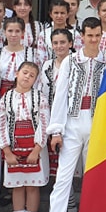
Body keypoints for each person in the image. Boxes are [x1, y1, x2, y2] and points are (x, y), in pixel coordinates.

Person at [25, 17, 106, 212]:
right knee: (63, 178)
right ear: (81, 36)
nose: (93, 39)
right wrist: (56, 130)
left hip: (97, 124)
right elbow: (61, 95)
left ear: (101, 36)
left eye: (97, 35)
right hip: (73, 122)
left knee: (92, 177)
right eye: (89, 35)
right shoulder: (70, 61)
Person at [0, 61, 48, 212]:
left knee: (32, 187)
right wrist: (7, 151)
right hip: (14, 148)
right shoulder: (6, 98)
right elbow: (1, 124)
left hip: (34, 148)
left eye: (32, 75)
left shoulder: (40, 98)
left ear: (35, 80)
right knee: (17, 187)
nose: (27, 77)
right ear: (17, 74)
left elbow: (44, 123)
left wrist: (37, 149)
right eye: (25, 72)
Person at [39, 29, 72, 182]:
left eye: (63, 42)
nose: (59, 46)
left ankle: (70, 195)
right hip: (51, 113)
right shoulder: (47, 65)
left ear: (70, 44)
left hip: (70, 116)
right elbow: (42, 90)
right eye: (55, 43)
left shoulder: (76, 64)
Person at [0, 17, 38, 98]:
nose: (13, 35)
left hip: (24, 93)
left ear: (23, 32)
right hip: (1, 93)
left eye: (17, 31)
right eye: (10, 31)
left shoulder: (32, 53)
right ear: (4, 32)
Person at [11, 0, 46, 65]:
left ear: (30, 8)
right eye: (19, 4)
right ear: (14, 7)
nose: (22, 8)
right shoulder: (8, 25)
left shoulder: (38, 26)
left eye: (26, 5)